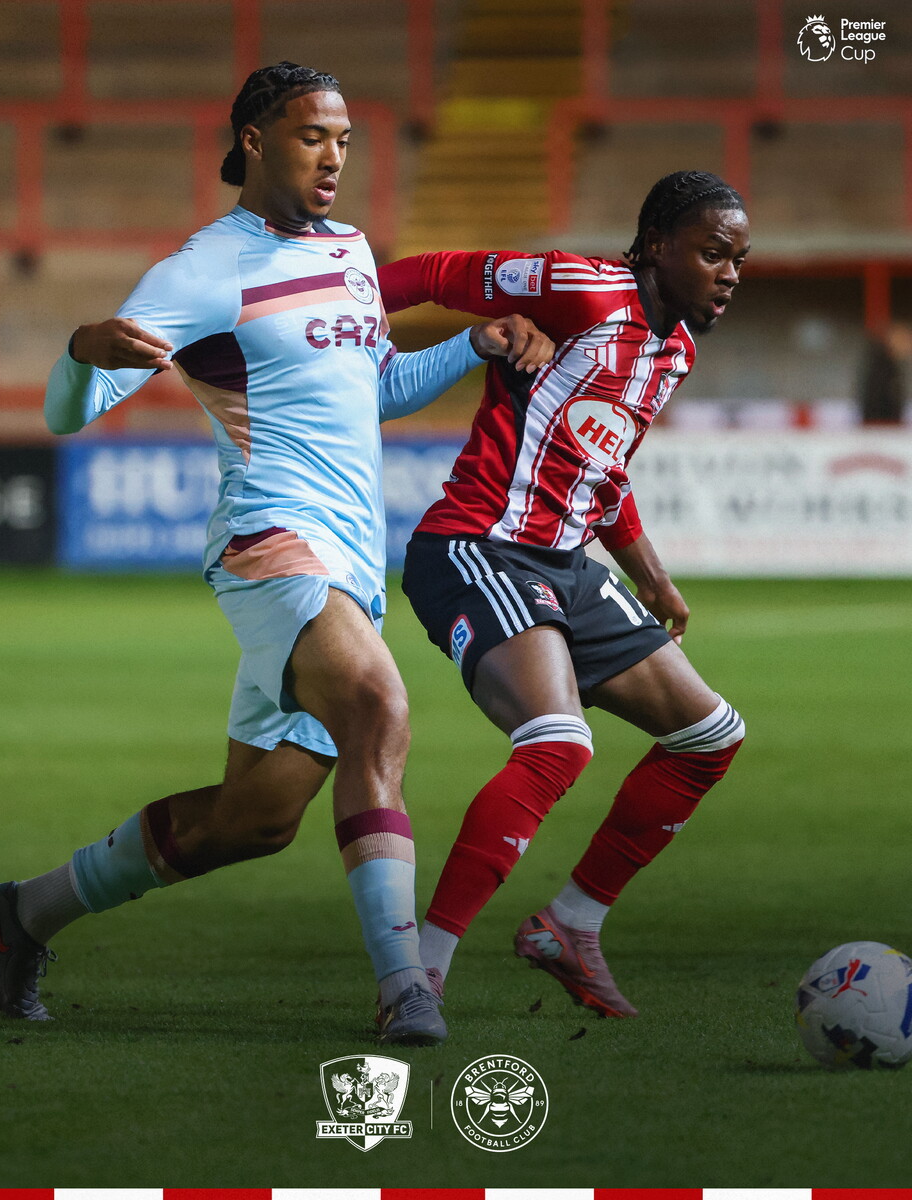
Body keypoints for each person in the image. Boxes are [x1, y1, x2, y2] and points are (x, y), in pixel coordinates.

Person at [0, 62, 552, 1045]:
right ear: (253, 140)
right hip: (269, 539)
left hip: (350, 564)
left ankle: (20, 915)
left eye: (344, 139)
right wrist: (81, 350)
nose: (334, 156)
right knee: (378, 704)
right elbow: (68, 415)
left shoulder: (351, 250)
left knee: (254, 820)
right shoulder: (203, 269)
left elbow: (373, 389)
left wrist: (474, 345)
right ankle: (406, 985)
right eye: (313, 134)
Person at [377, 170, 750, 1017]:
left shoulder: (674, 351)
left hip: (568, 565)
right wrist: (337, 319)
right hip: (478, 547)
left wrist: (653, 578)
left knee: (709, 736)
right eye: (713, 253)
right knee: (558, 741)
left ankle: (571, 924)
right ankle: (418, 977)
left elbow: (602, 471)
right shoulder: (581, 289)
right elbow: (437, 274)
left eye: (739, 259)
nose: (730, 273)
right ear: (656, 245)